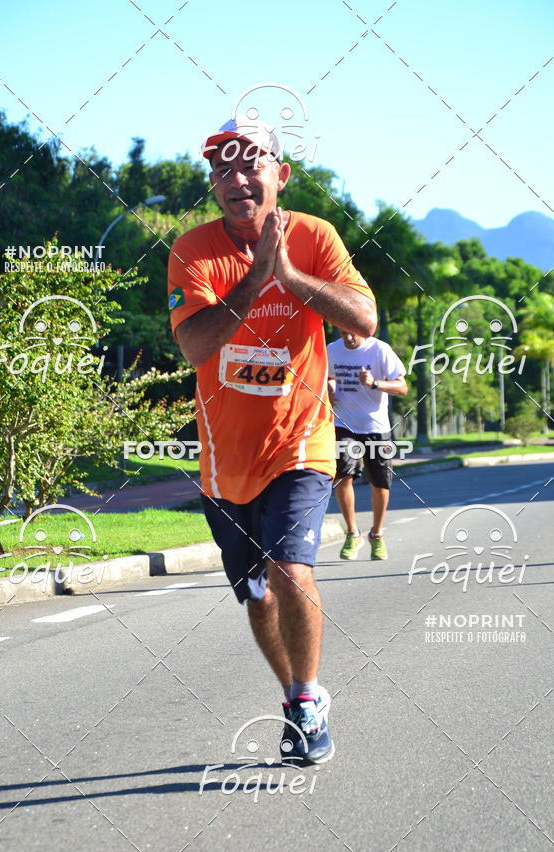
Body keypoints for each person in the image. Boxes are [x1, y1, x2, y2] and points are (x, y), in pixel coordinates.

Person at [167, 116, 377, 765]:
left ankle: (309, 703)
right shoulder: (192, 250)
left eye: (250, 164)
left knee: (291, 570)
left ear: (279, 175)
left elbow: (364, 319)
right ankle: (293, 693)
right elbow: (196, 344)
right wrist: (258, 278)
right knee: (257, 595)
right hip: (224, 462)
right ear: (212, 185)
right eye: (222, 168)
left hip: (301, 442)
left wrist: (290, 274)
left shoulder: (315, 237)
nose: (236, 178)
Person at [327, 329, 408, 561]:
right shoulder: (332, 350)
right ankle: (353, 533)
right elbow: (325, 376)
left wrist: (375, 383)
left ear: (364, 330)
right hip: (344, 424)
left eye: (352, 334)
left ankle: (377, 534)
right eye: (343, 333)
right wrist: (328, 388)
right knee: (343, 475)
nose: (348, 338)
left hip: (376, 426)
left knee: (380, 483)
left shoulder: (380, 350)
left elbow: (402, 387)